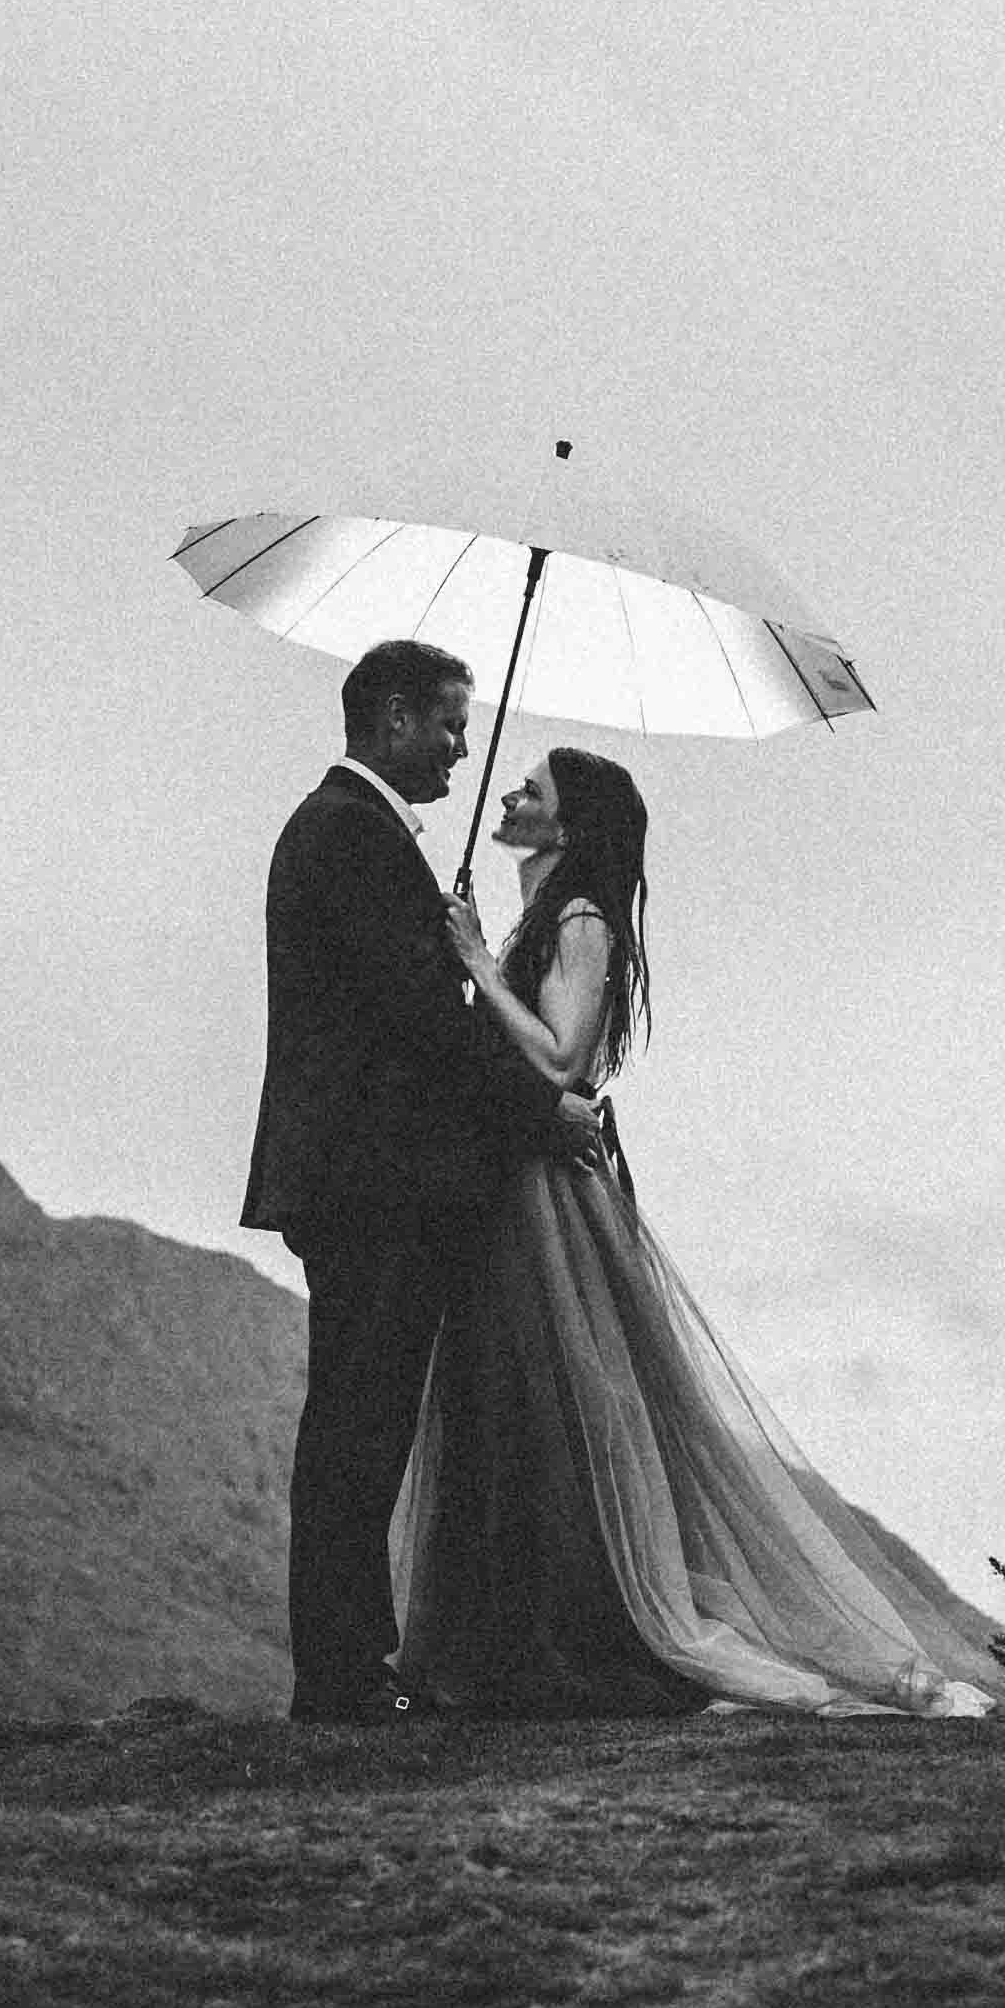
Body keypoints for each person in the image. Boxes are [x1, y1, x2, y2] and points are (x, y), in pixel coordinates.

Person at [394, 746, 1005, 1720]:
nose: (511, 794)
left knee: (553, 1410)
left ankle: (582, 1647)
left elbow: (562, 1055)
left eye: (533, 789)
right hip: (510, 1189)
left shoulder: (577, 920)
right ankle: (512, 1651)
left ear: (569, 827)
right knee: (517, 1417)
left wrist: (480, 964)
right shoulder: (549, 918)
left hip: (542, 1205)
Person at [240, 640, 596, 1722]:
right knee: (359, 1421)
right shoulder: (350, 836)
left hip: (366, 1177)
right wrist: (545, 1108)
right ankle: (342, 1675)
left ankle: (350, 1665)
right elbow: (420, 1021)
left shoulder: (353, 837)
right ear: (392, 719)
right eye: (448, 723)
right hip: (373, 1180)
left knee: (363, 1417)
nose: (459, 747)